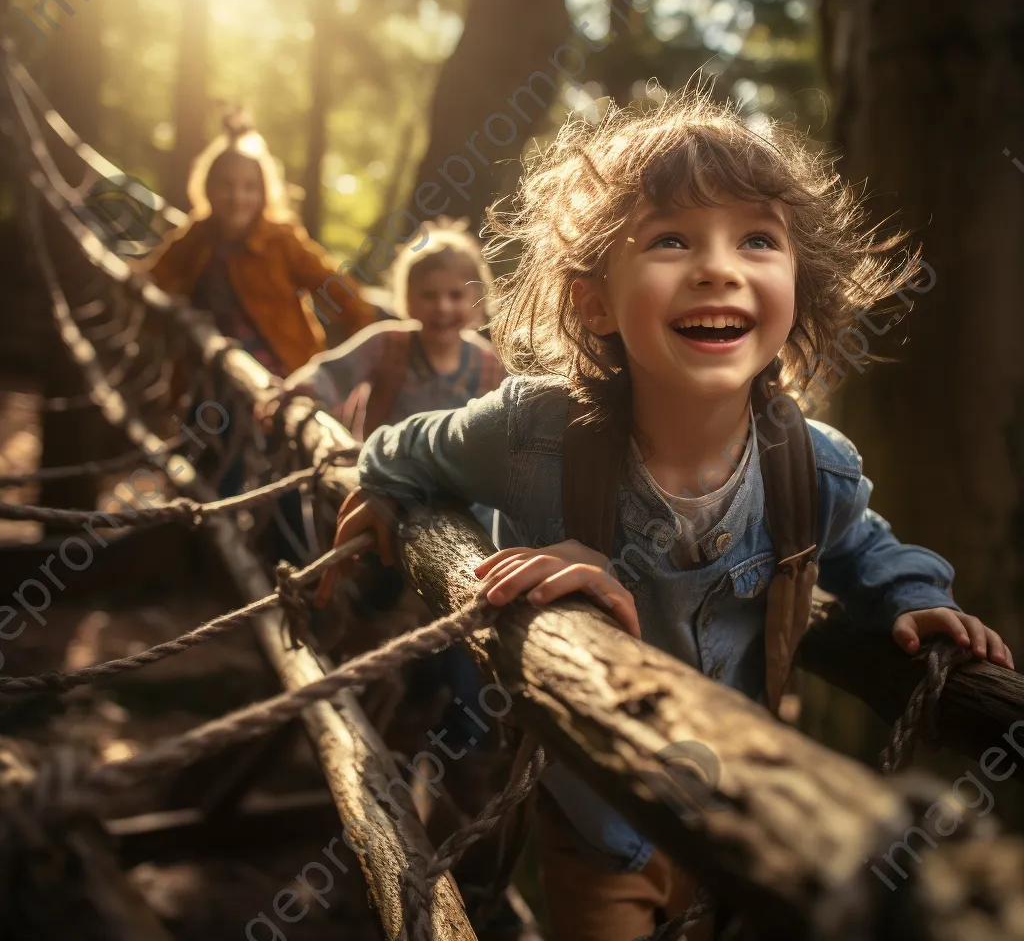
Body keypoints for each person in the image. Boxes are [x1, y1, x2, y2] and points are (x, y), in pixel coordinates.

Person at [317, 93, 1014, 940]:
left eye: (758, 239)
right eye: (671, 239)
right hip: (595, 821)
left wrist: (914, 598)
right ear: (593, 305)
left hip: (744, 827)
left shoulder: (812, 464)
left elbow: (865, 546)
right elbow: (405, 445)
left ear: (798, 286)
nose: (718, 267)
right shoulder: (532, 434)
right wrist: (385, 493)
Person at [144, 112, 375, 379]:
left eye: (250, 187)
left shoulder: (281, 241)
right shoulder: (199, 234)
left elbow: (342, 292)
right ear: (208, 188)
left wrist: (355, 363)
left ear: (265, 192)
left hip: (277, 375)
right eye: (226, 186)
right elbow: (155, 275)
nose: (237, 197)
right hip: (207, 370)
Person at [280, 216, 504, 442]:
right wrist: (294, 391)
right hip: (379, 472)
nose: (442, 307)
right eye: (429, 295)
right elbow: (330, 374)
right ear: (407, 298)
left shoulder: (490, 366)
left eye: (456, 295)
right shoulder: (387, 344)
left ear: (477, 298)